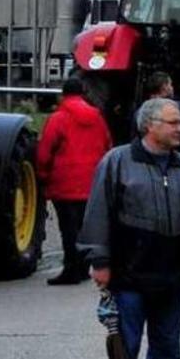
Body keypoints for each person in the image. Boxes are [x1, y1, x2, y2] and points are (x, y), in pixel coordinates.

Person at [78, 98, 180, 359]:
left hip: (172, 281)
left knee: (167, 354)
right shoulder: (117, 162)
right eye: (173, 122)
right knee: (125, 354)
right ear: (149, 125)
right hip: (129, 281)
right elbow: (98, 212)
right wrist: (99, 261)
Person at [35, 77, 113, 285]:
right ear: (84, 93)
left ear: (63, 94)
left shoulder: (58, 118)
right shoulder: (97, 117)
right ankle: (83, 267)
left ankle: (70, 269)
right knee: (85, 227)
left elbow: (45, 152)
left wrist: (42, 175)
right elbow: (107, 145)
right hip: (91, 182)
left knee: (68, 229)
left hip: (65, 183)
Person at [141, 71, 180, 160]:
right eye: (170, 85)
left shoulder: (140, 111)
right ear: (165, 87)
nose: (172, 88)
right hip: (177, 162)